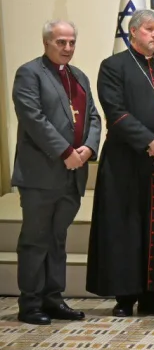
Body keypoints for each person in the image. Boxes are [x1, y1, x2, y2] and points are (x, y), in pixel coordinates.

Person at [86, 9, 154, 316]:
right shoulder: (113, 66)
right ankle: (125, 297)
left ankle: (150, 296)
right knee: (126, 228)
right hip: (126, 164)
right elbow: (116, 113)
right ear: (132, 33)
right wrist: (150, 141)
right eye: (149, 29)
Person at [12, 20, 102, 325]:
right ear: (46, 42)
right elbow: (33, 118)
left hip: (72, 174)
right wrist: (66, 153)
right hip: (40, 175)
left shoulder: (79, 77)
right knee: (35, 240)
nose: (67, 48)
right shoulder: (29, 73)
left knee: (58, 239)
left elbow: (93, 116)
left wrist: (88, 150)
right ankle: (30, 303)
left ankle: (53, 298)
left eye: (71, 42)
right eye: (60, 42)